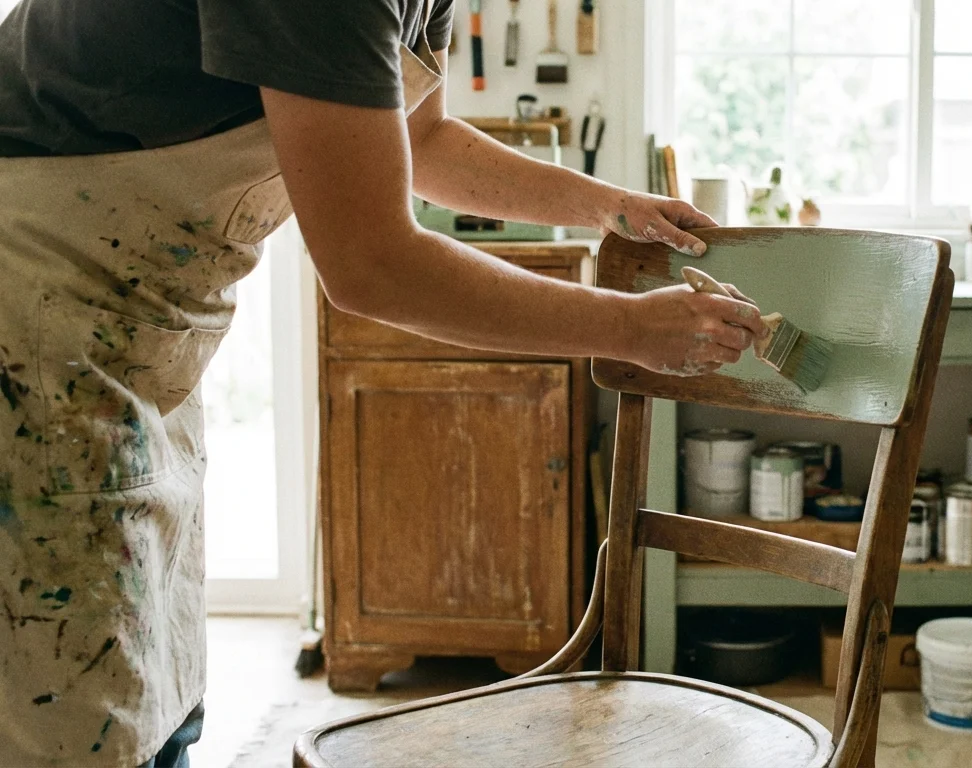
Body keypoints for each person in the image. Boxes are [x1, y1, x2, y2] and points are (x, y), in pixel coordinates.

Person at [0, 0, 768, 764]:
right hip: (34, 303)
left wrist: (607, 205)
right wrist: (631, 328)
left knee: (146, 681)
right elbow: (370, 266)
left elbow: (422, 138)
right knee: (70, 705)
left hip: (133, 331)